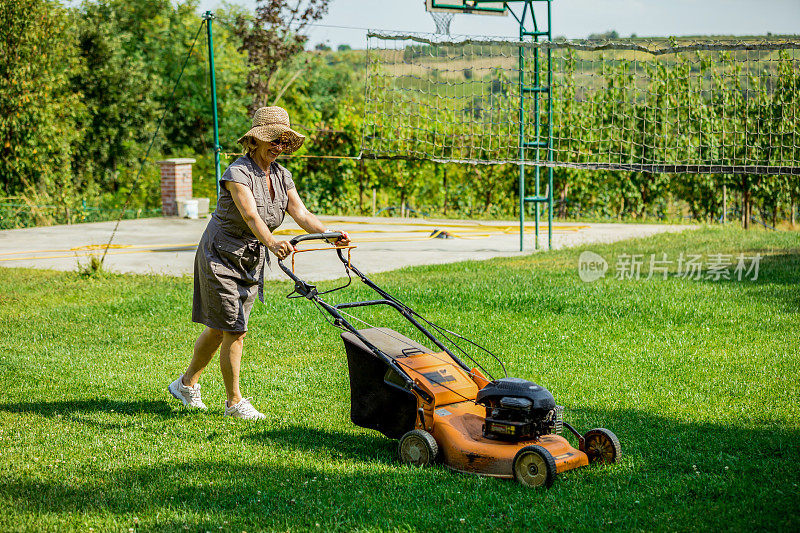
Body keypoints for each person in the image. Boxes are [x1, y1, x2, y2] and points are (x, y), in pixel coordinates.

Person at [168, 106, 350, 419]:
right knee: (234, 330)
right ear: (256, 141)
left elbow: (302, 214)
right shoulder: (237, 173)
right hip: (220, 255)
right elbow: (250, 214)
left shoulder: (282, 176)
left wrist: (330, 234)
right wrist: (272, 242)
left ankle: (185, 384)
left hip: (248, 259)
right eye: (273, 140)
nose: (279, 147)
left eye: (283, 141)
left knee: (217, 329)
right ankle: (234, 403)